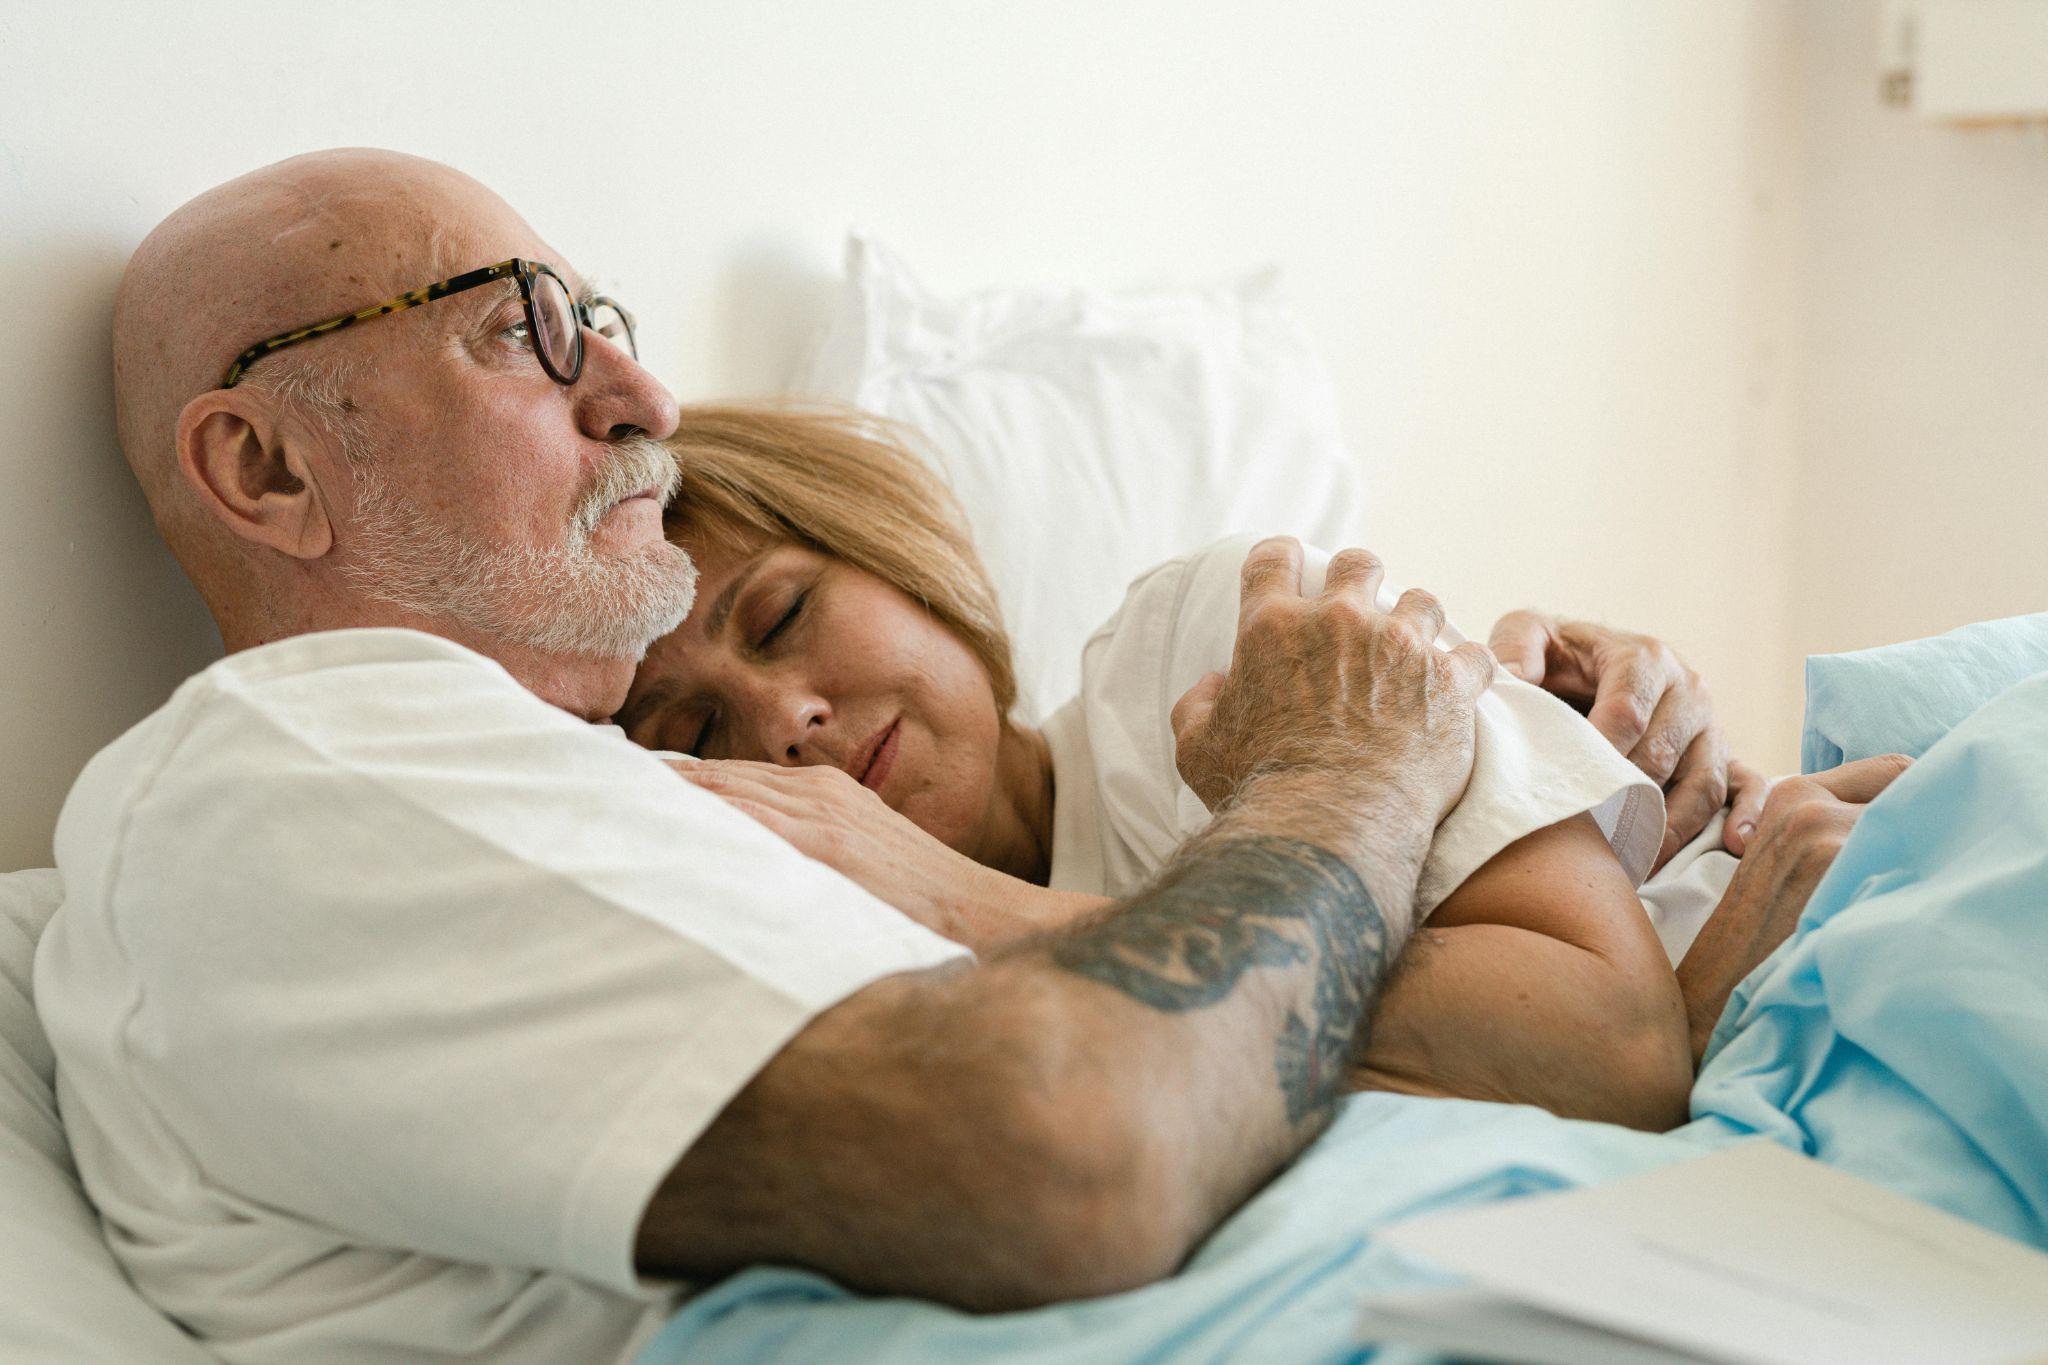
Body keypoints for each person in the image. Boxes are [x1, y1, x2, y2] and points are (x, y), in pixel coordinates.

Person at [34, 147, 1776, 1365]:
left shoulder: (571, 808)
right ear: (264, 473)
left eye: (608, 319)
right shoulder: (282, 774)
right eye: (518, 328)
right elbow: (1075, 1145)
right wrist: (1343, 779)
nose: (638, 391)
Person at [628, 405, 1765, 1128]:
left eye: (779, 617)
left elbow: (1601, 1047)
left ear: (897, 556)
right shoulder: (863, 1009)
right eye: (689, 738)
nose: (786, 722)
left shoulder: (1201, 655)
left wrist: (972, 903)